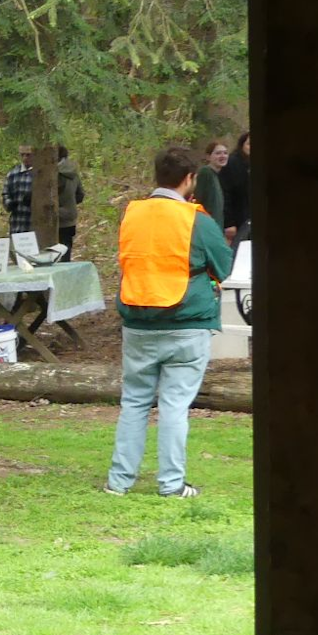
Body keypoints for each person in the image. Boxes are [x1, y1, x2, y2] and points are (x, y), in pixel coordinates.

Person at [106, 145, 235, 499]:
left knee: (134, 402)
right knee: (174, 406)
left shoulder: (132, 213)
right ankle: (172, 483)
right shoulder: (197, 220)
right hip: (187, 324)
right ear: (190, 179)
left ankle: (119, 481)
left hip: (138, 321)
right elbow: (223, 266)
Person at [220, 130, 251, 244]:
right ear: (242, 145)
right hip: (238, 219)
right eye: (249, 144)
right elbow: (226, 193)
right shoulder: (233, 163)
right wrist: (229, 223)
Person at [55, 145, 86, 255]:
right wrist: (70, 203)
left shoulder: (51, 173)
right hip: (70, 219)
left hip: (54, 220)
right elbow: (80, 195)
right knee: (66, 254)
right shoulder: (72, 171)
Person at [1, 147, 36, 239]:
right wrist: (9, 203)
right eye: (22, 155)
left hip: (34, 225)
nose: (25, 158)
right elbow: (5, 194)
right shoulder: (13, 174)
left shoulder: (40, 174)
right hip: (17, 223)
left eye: (28, 155)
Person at [194, 140, 227, 230]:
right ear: (208, 157)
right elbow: (197, 200)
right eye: (218, 153)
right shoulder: (205, 173)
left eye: (225, 153)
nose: (223, 156)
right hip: (207, 227)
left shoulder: (215, 175)